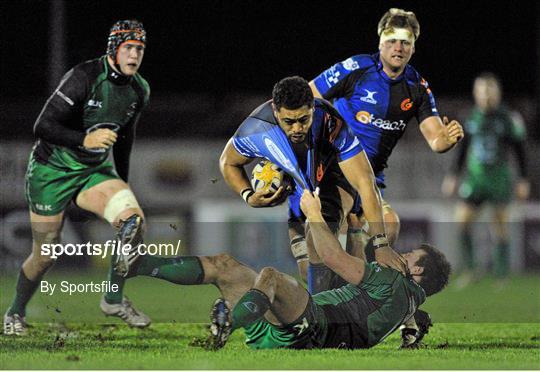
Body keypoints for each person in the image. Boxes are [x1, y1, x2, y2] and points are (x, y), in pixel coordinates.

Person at [4, 19, 200, 335]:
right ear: (114, 49)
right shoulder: (83, 77)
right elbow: (42, 126)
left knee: (132, 222)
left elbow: (126, 138)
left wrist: (123, 182)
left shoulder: (139, 89)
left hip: (93, 171)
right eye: (129, 48)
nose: (135, 55)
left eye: (140, 49)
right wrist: (85, 140)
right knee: (45, 254)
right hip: (51, 171)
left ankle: (112, 299)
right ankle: (14, 313)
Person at [138, 189, 449, 350]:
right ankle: (139, 264)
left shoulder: (391, 278)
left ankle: (226, 325)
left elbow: (329, 256)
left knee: (271, 276)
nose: (401, 253)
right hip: (304, 322)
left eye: (409, 255)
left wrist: (313, 212)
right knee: (226, 265)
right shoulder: (408, 296)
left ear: (417, 272)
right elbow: (339, 265)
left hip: (314, 326)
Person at [220, 76, 408, 295]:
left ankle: (323, 316)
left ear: (313, 107)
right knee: (308, 271)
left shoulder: (329, 120)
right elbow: (228, 162)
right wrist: (248, 195)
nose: (297, 128)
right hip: (300, 191)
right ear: (275, 110)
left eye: (304, 119)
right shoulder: (256, 130)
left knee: (317, 235)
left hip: (334, 177)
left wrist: (381, 245)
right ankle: (349, 289)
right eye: (289, 121)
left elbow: (365, 181)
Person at [309, 8, 464, 249]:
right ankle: (324, 278)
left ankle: (358, 283)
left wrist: (448, 140)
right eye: (392, 41)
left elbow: (436, 140)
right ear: (381, 42)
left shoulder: (418, 89)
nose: (398, 48)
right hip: (338, 169)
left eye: (405, 42)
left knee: (389, 226)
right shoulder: (356, 68)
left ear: (413, 47)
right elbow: (309, 94)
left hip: (372, 180)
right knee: (334, 225)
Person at [442, 72, 529, 286]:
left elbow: (519, 150)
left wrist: (523, 179)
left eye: (490, 91)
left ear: (497, 93)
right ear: (475, 93)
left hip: (499, 178)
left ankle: (501, 274)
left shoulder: (509, 117)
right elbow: (462, 149)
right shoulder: (469, 117)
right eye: (482, 91)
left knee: (499, 225)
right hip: (475, 179)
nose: (486, 95)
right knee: (462, 221)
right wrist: (453, 175)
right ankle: (471, 270)